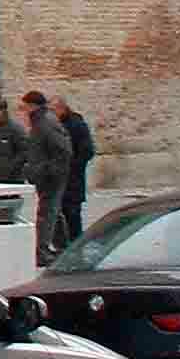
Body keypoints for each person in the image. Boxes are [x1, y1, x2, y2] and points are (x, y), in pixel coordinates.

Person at [19, 88, 75, 260]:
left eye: (24, 107)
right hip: (45, 175)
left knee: (46, 213)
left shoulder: (46, 122)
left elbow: (64, 150)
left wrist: (47, 170)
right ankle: (64, 247)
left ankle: (43, 251)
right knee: (53, 212)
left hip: (51, 176)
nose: (22, 111)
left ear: (32, 106)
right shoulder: (40, 121)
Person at [54, 95, 103, 257]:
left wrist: (71, 166)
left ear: (62, 108)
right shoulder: (57, 124)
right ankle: (63, 248)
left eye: (54, 110)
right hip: (60, 178)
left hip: (73, 179)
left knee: (73, 214)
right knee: (59, 214)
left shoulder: (77, 124)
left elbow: (87, 151)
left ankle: (77, 248)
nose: (52, 114)